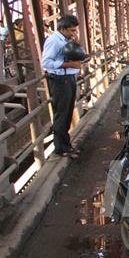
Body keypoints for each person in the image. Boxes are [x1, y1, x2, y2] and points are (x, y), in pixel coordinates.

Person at [41, 15, 83, 159]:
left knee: (67, 113)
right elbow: (46, 63)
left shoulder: (65, 39)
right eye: (71, 30)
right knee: (62, 114)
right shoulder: (54, 41)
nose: (73, 33)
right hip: (60, 80)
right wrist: (70, 64)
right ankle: (61, 148)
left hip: (68, 78)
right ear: (62, 29)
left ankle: (66, 145)